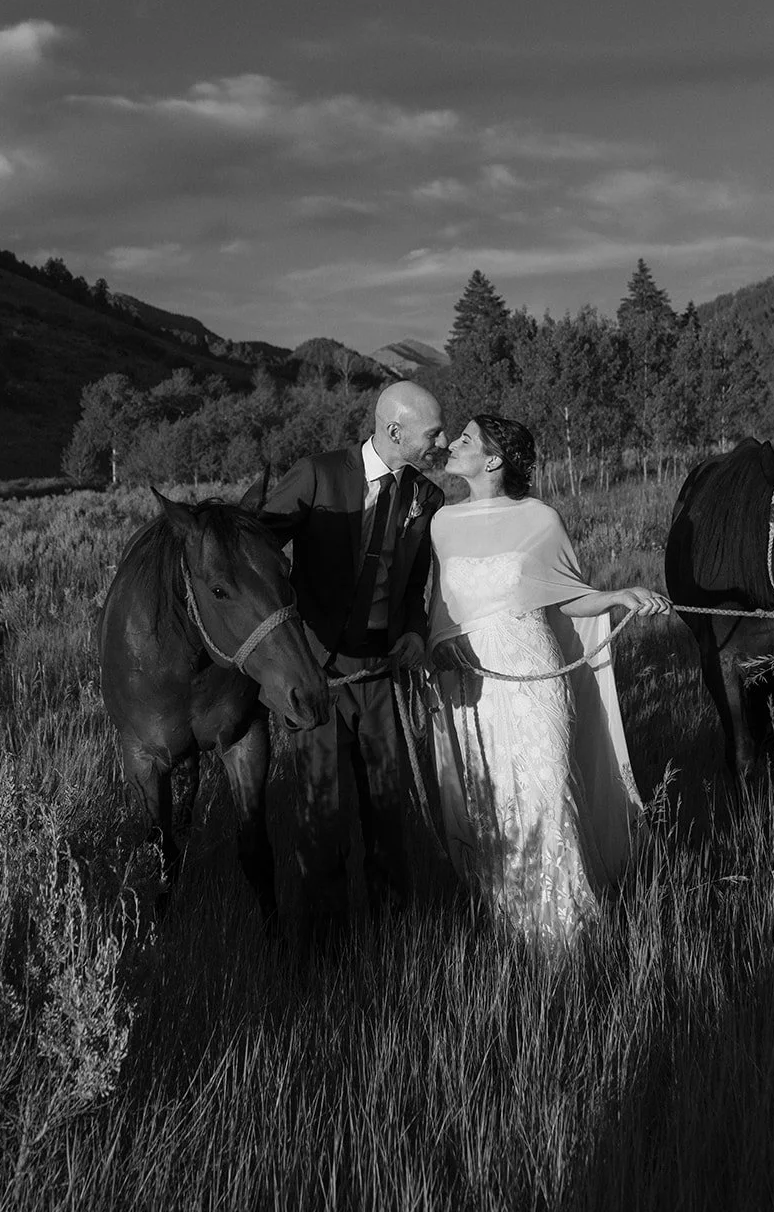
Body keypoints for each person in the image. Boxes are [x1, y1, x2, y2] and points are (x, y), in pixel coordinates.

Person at [429, 413, 669, 943]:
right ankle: (512, 927)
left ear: (493, 460)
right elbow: (440, 609)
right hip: (473, 683)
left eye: (466, 439)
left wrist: (619, 595)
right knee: (492, 800)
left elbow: (569, 595)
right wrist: (438, 647)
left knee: (546, 787)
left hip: (534, 672)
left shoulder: (540, 519)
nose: (452, 444)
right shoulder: (441, 523)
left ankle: (570, 933)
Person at [260, 380, 447, 934]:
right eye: (433, 433)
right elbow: (256, 549)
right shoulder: (317, 474)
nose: (442, 442)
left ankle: (394, 933)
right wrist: (283, 643)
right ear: (395, 431)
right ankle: (325, 944)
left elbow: (415, 583)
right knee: (324, 811)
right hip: (318, 673)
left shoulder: (427, 497)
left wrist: (414, 632)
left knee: (388, 807)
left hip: (384, 673)